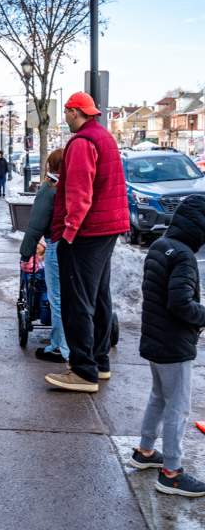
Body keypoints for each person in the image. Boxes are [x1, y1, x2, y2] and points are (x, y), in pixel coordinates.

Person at [45, 92, 129, 393]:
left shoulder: (81, 143)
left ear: (74, 112)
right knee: (98, 296)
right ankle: (99, 361)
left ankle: (83, 371)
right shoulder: (103, 136)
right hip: (107, 227)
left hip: (87, 231)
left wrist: (68, 232)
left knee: (77, 300)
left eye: (66, 113)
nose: (65, 118)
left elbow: (79, 195)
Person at [130, 195, 205, 497]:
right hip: (174, 343)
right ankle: (172, 472)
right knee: (178, 406)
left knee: (159, 396)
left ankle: (145, 450)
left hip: (155, 338)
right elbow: (181, 304)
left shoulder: (160, 246)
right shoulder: (184, 257)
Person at [19, 149, 68, 363]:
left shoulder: (49, 189)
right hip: (79, 246)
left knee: (57, 297)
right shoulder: (74, 186)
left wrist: (26, 251)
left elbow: (36, 225)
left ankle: (60, 346)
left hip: (56, 245)